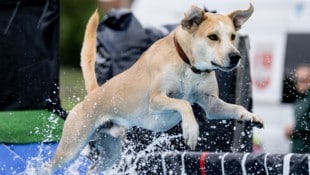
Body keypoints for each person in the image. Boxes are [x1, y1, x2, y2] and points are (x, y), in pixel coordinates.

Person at [285, 64, 310, 153]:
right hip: (298, 149)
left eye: (303, 80)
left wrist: (295, 130)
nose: (299, 84)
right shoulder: (300, 98)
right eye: (297, 80)